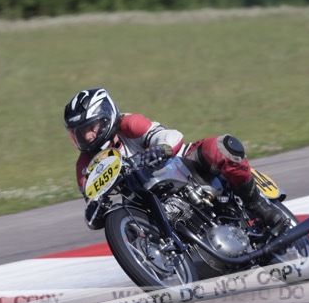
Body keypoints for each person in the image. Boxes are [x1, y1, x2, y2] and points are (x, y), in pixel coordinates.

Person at [63, 87, 287, 230]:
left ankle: (257, 205)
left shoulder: (129, 124)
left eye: (90, 127)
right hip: (146, 203)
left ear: (105, 118)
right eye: (80, 133)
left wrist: (160, 149)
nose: (87, 136)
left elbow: (170, 136)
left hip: (180, 167)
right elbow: (91, 208)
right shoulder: (85, 166)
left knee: (223, 147)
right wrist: (97, 211)